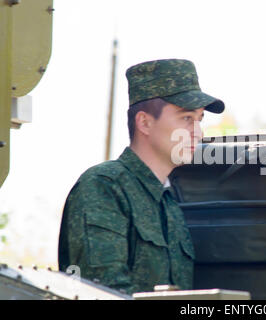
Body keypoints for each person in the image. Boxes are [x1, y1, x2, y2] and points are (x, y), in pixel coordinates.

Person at [58, 59, 225, 294]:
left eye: (199, 120)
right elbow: (103, 293)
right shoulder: (104, 187)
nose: (198, 132)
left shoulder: (168, 203)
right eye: (186, 118)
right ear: (145, 123)